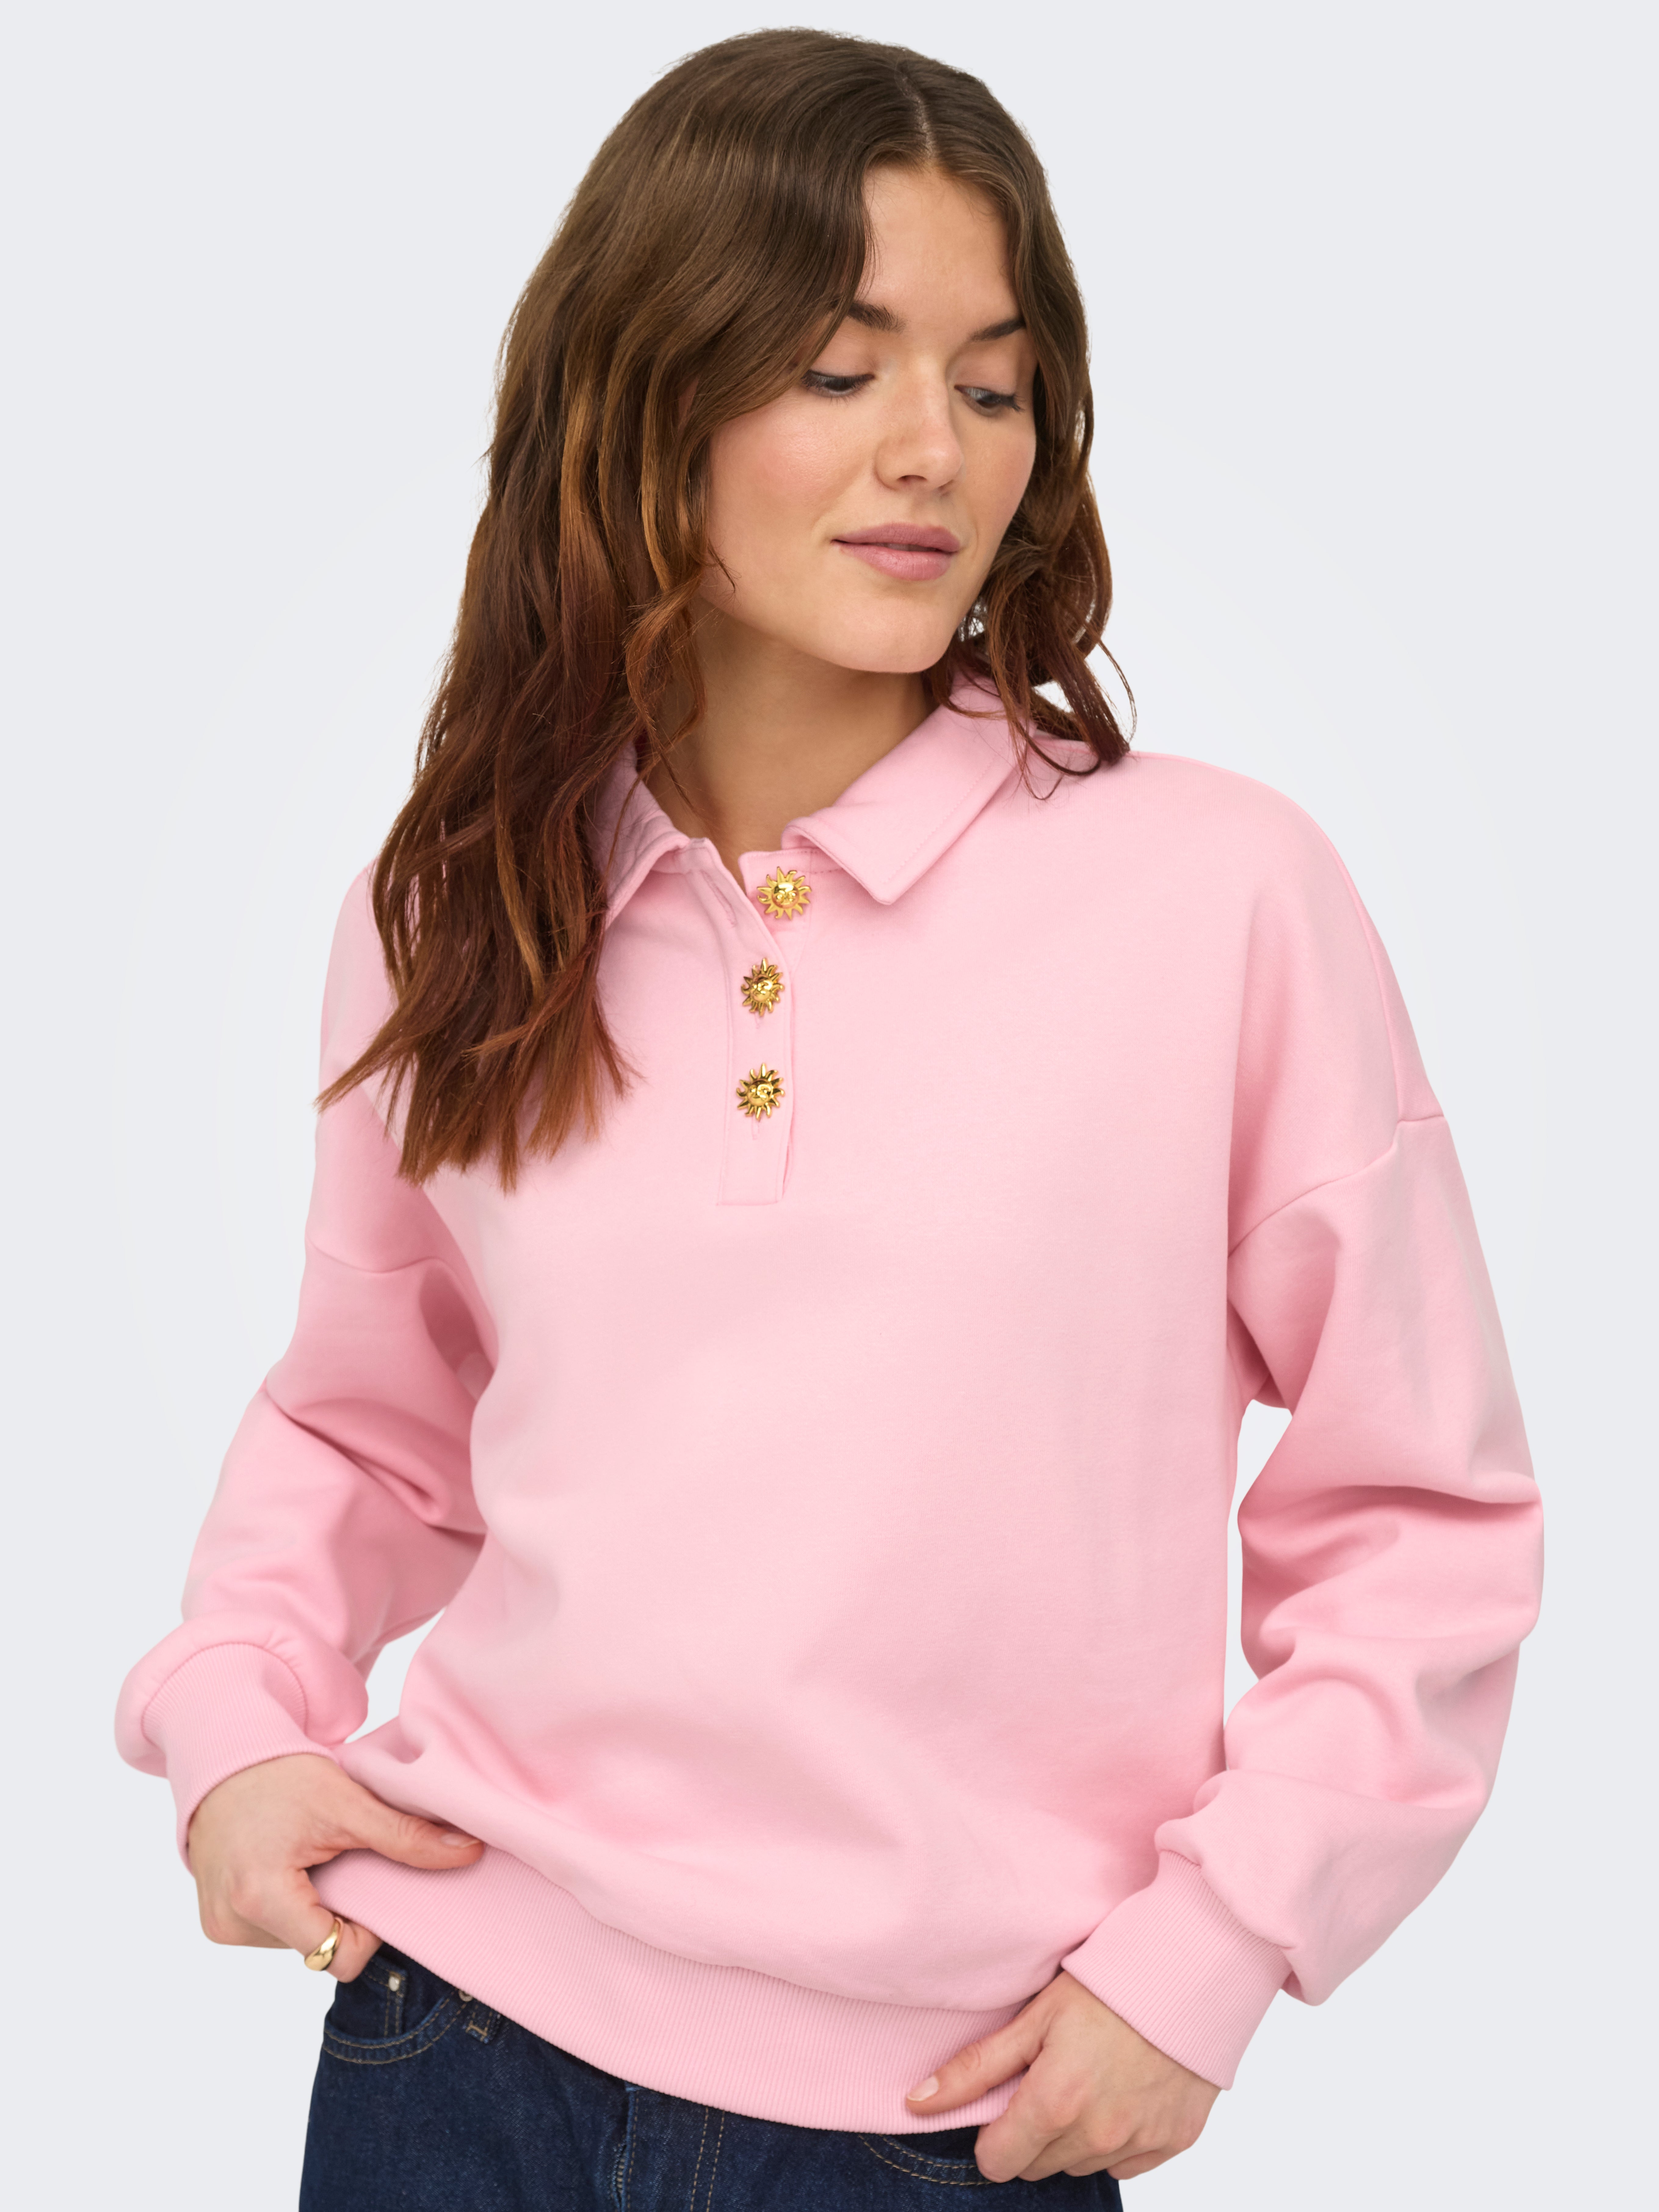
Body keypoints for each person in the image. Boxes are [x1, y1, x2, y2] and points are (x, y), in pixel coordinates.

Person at [116, 28, 1543, 2210]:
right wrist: (232, 1716)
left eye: (995, 383)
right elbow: (370, 1419)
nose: (932, 452)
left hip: (949, 2121)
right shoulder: (463, 904)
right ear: (645, 394)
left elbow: (1419, 1513)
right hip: (451, 2044)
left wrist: (1220, 1948)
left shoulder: (1219, 897)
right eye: (836, 366)